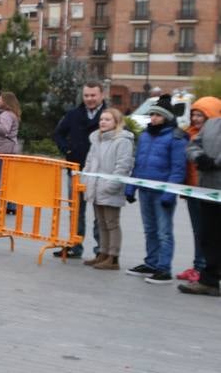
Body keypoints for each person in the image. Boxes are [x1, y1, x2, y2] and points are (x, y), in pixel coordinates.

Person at [123, 95, 188, 284]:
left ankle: (164, 268)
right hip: (145, 191)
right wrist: (131, 187)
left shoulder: (176, 137)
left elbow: (178, 169)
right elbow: (138, 164)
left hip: (162, 193)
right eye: (152, 114)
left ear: (166, 117)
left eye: (158, 115)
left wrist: (169, 193)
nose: (153, 118)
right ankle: (151, 263)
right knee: (149, 229)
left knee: (164, 232)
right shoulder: (145, 135)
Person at [53, 82, 107, 258]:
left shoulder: (109, 116)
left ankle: (101, 250)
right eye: (86, 95)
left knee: (100, 213)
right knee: (76, 210)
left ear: (102, 95)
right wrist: (67, 150)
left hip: (99, 172)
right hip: (76, 169)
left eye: (93, 95)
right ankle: (75, 246)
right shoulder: (73, 114)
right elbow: (58, 133)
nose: (89, 99)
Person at [80, 107, 134, 271]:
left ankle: (113, 257)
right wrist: (86, 180)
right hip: (96, 188)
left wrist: (111, 186)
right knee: (101, 223)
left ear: (116, 122)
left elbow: (123, 166)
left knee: (112, 223)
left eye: (107, 119)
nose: (103, 122)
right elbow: (89, 162)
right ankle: (102, 253)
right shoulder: (97, 139)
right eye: (101, 119)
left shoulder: (123, 141)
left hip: (110, 189)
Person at [177, 98, 220, 282]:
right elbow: (192, 147)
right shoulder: (209, 126)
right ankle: (205, 274)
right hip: (202, 190)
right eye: (193, 114)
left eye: (199, 115)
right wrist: (199, 157)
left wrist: (214, 162)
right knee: (205, 235)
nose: (195, 118)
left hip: (216, 188)